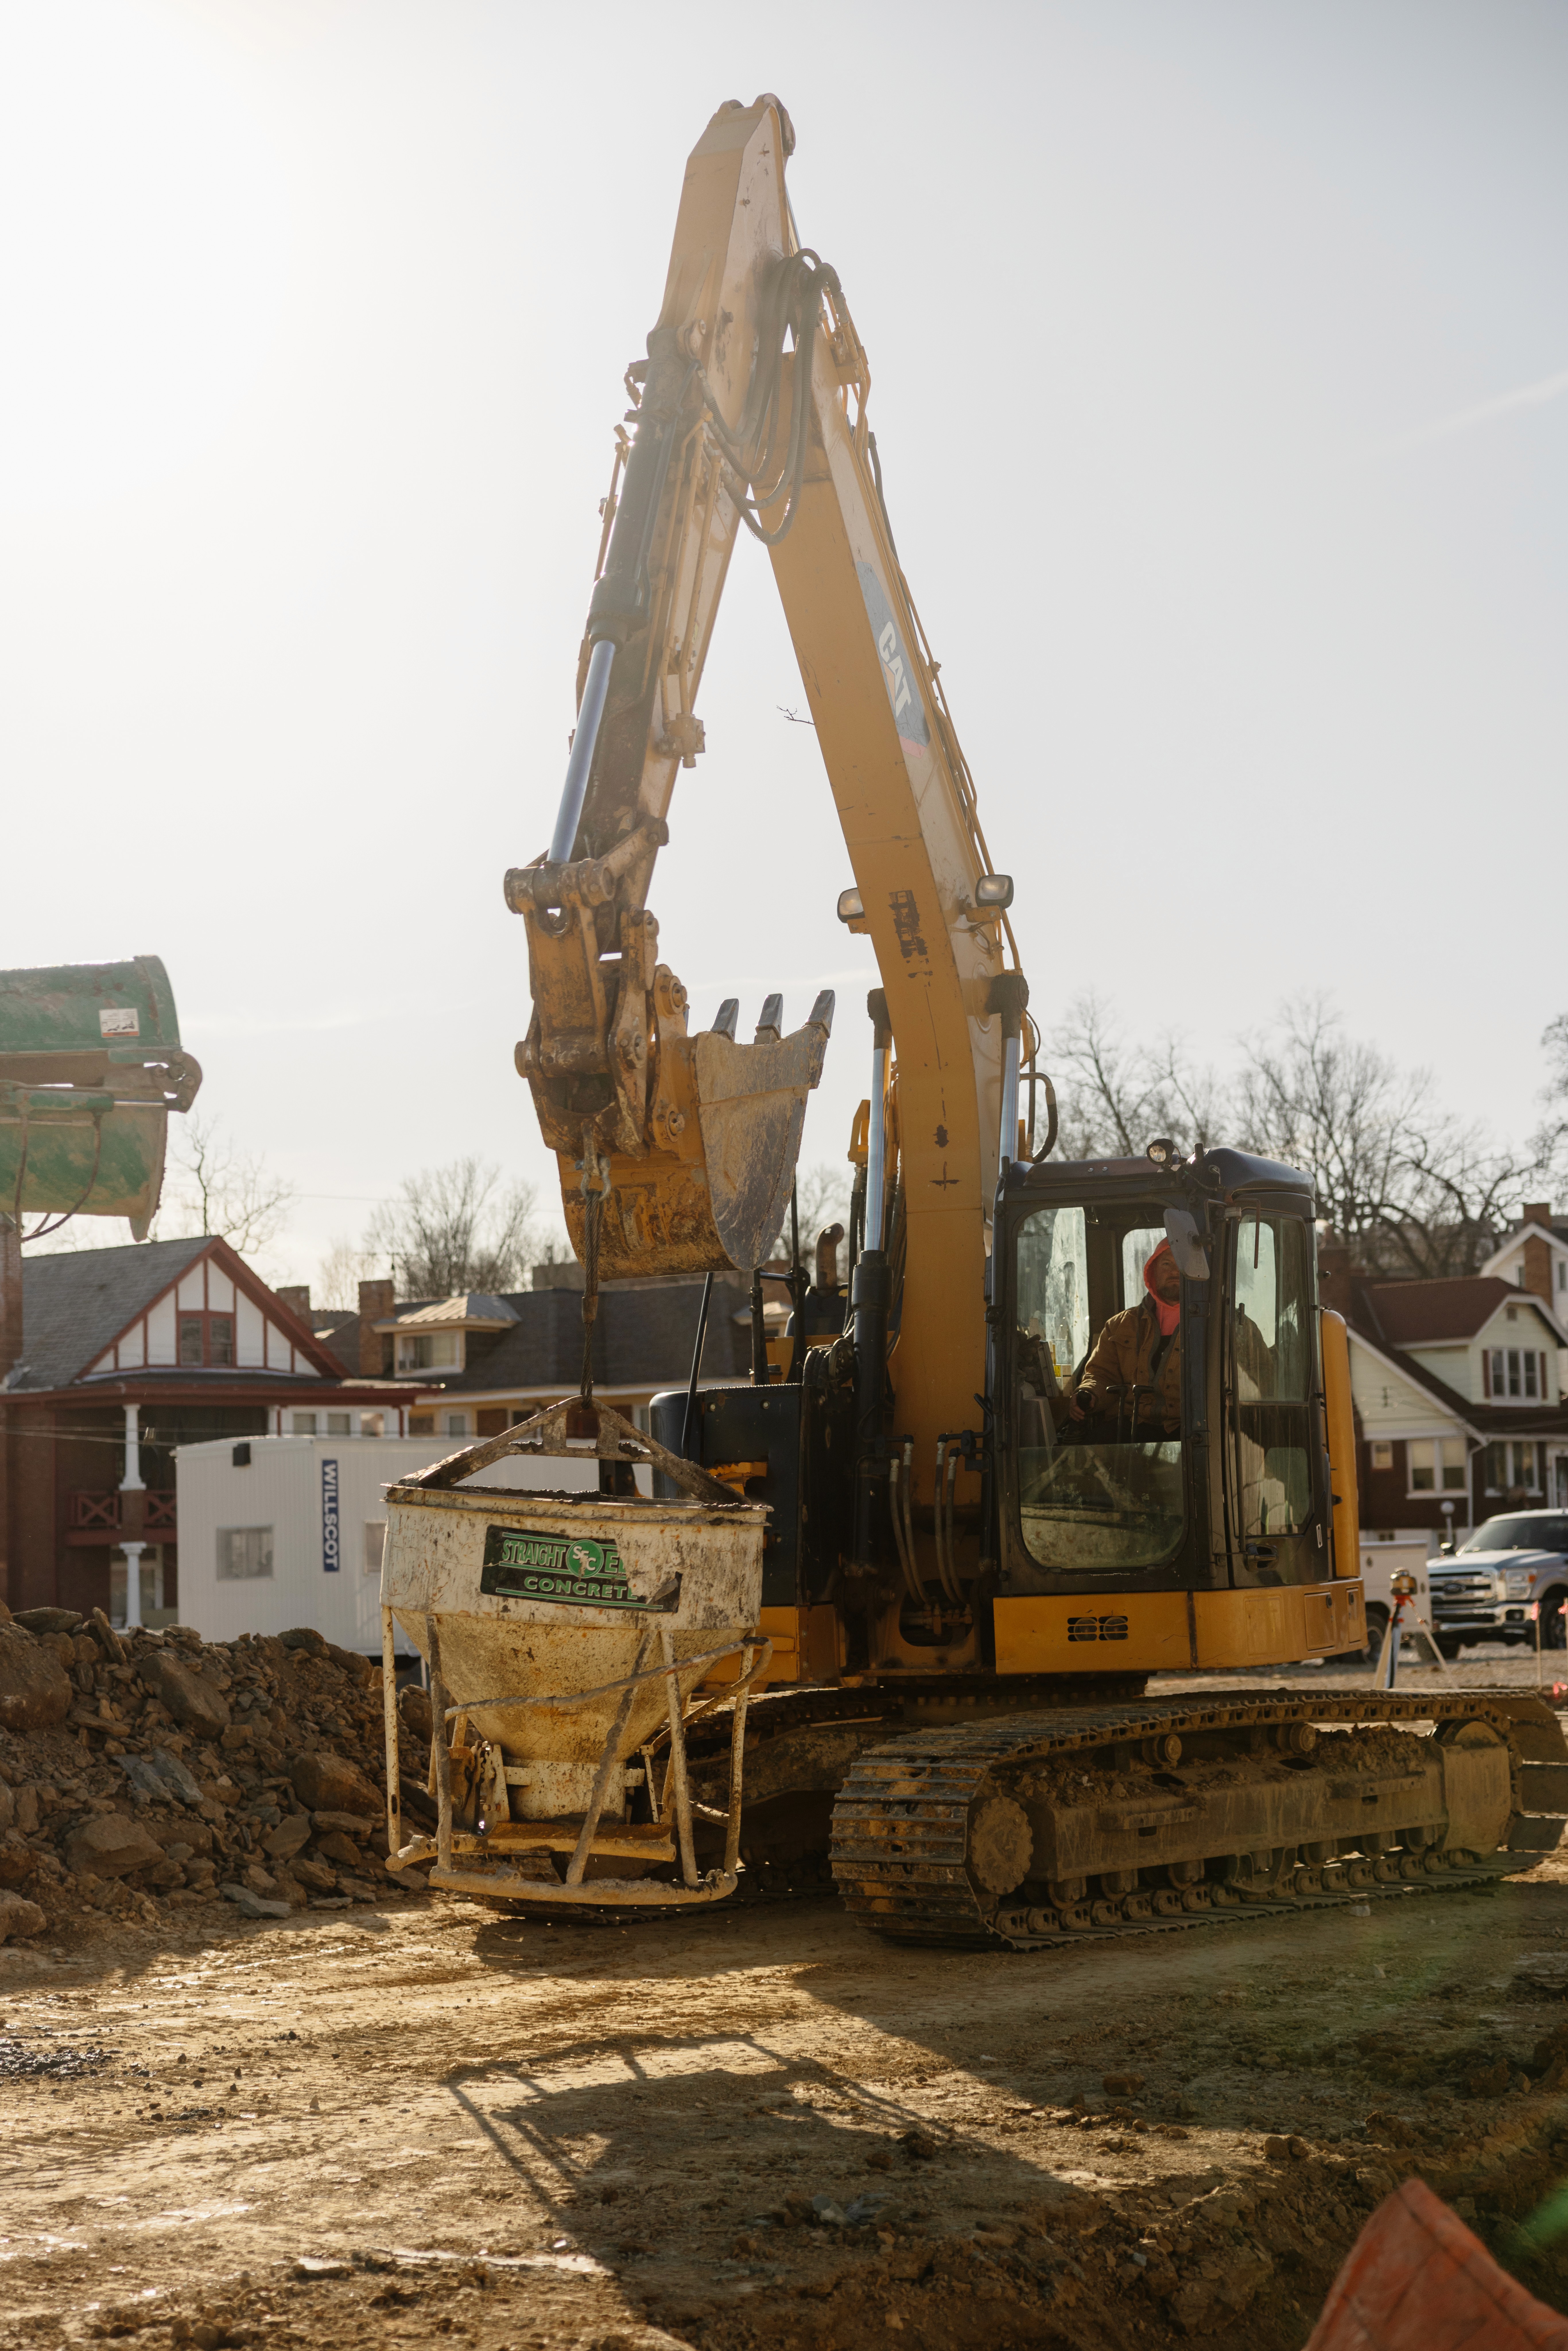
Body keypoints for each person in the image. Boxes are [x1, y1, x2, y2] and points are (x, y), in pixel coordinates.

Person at [1070, 1238, 1182, 1435]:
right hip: (1132, 1426)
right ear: (1153, 1272)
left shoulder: (1223, 1325)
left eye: (1182, 1263)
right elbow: (1101, 1374)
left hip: (1193, 1430)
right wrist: (1089, 1393)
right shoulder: (1120, 1326)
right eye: (1167, 1264)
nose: (1174, 1272)